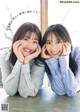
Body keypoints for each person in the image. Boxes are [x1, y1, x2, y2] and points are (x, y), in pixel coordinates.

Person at [0, 22, 45, 98]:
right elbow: (10, 91)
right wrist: (20, 60)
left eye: (34, 42)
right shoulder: (5, 57)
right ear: (17, 39)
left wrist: (26, 62)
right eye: (25, 39)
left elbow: (26, 92)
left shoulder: (40, 62)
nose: (29, 45)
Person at [41, 24, 80, 96]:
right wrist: (51, 61)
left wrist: (64, 58)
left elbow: (72, 90)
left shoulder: (77, 53)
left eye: (58, 41)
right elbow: (60, 91)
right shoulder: (48, 58)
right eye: (49, 43)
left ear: (67, 42)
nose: (53, 48)